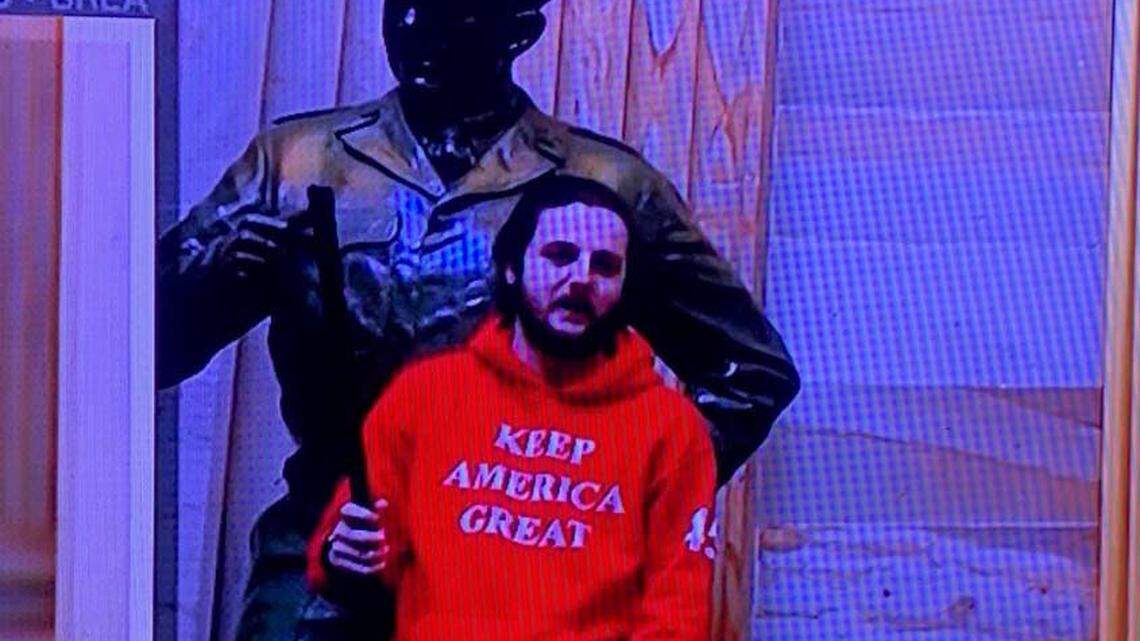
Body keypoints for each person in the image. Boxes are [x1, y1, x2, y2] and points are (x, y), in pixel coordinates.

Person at [157, 1, 799, 638]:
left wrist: (609, 492)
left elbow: (749, 373)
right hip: (333, 539)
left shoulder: (608, 184)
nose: (412, 29)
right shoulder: (298, 162)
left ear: (520, 31)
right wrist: (203, 281)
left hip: (513, 571)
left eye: (449, 11)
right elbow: (138, 351)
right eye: (400, 4)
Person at [307, 177, 718, 640]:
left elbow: (676, 617)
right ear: (510, 268)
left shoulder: (670, 429)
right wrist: (343, 555)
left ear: (624, 288)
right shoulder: (427, 394)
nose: (582, 278)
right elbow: (351, 556)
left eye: (605, 266)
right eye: (559, 255)